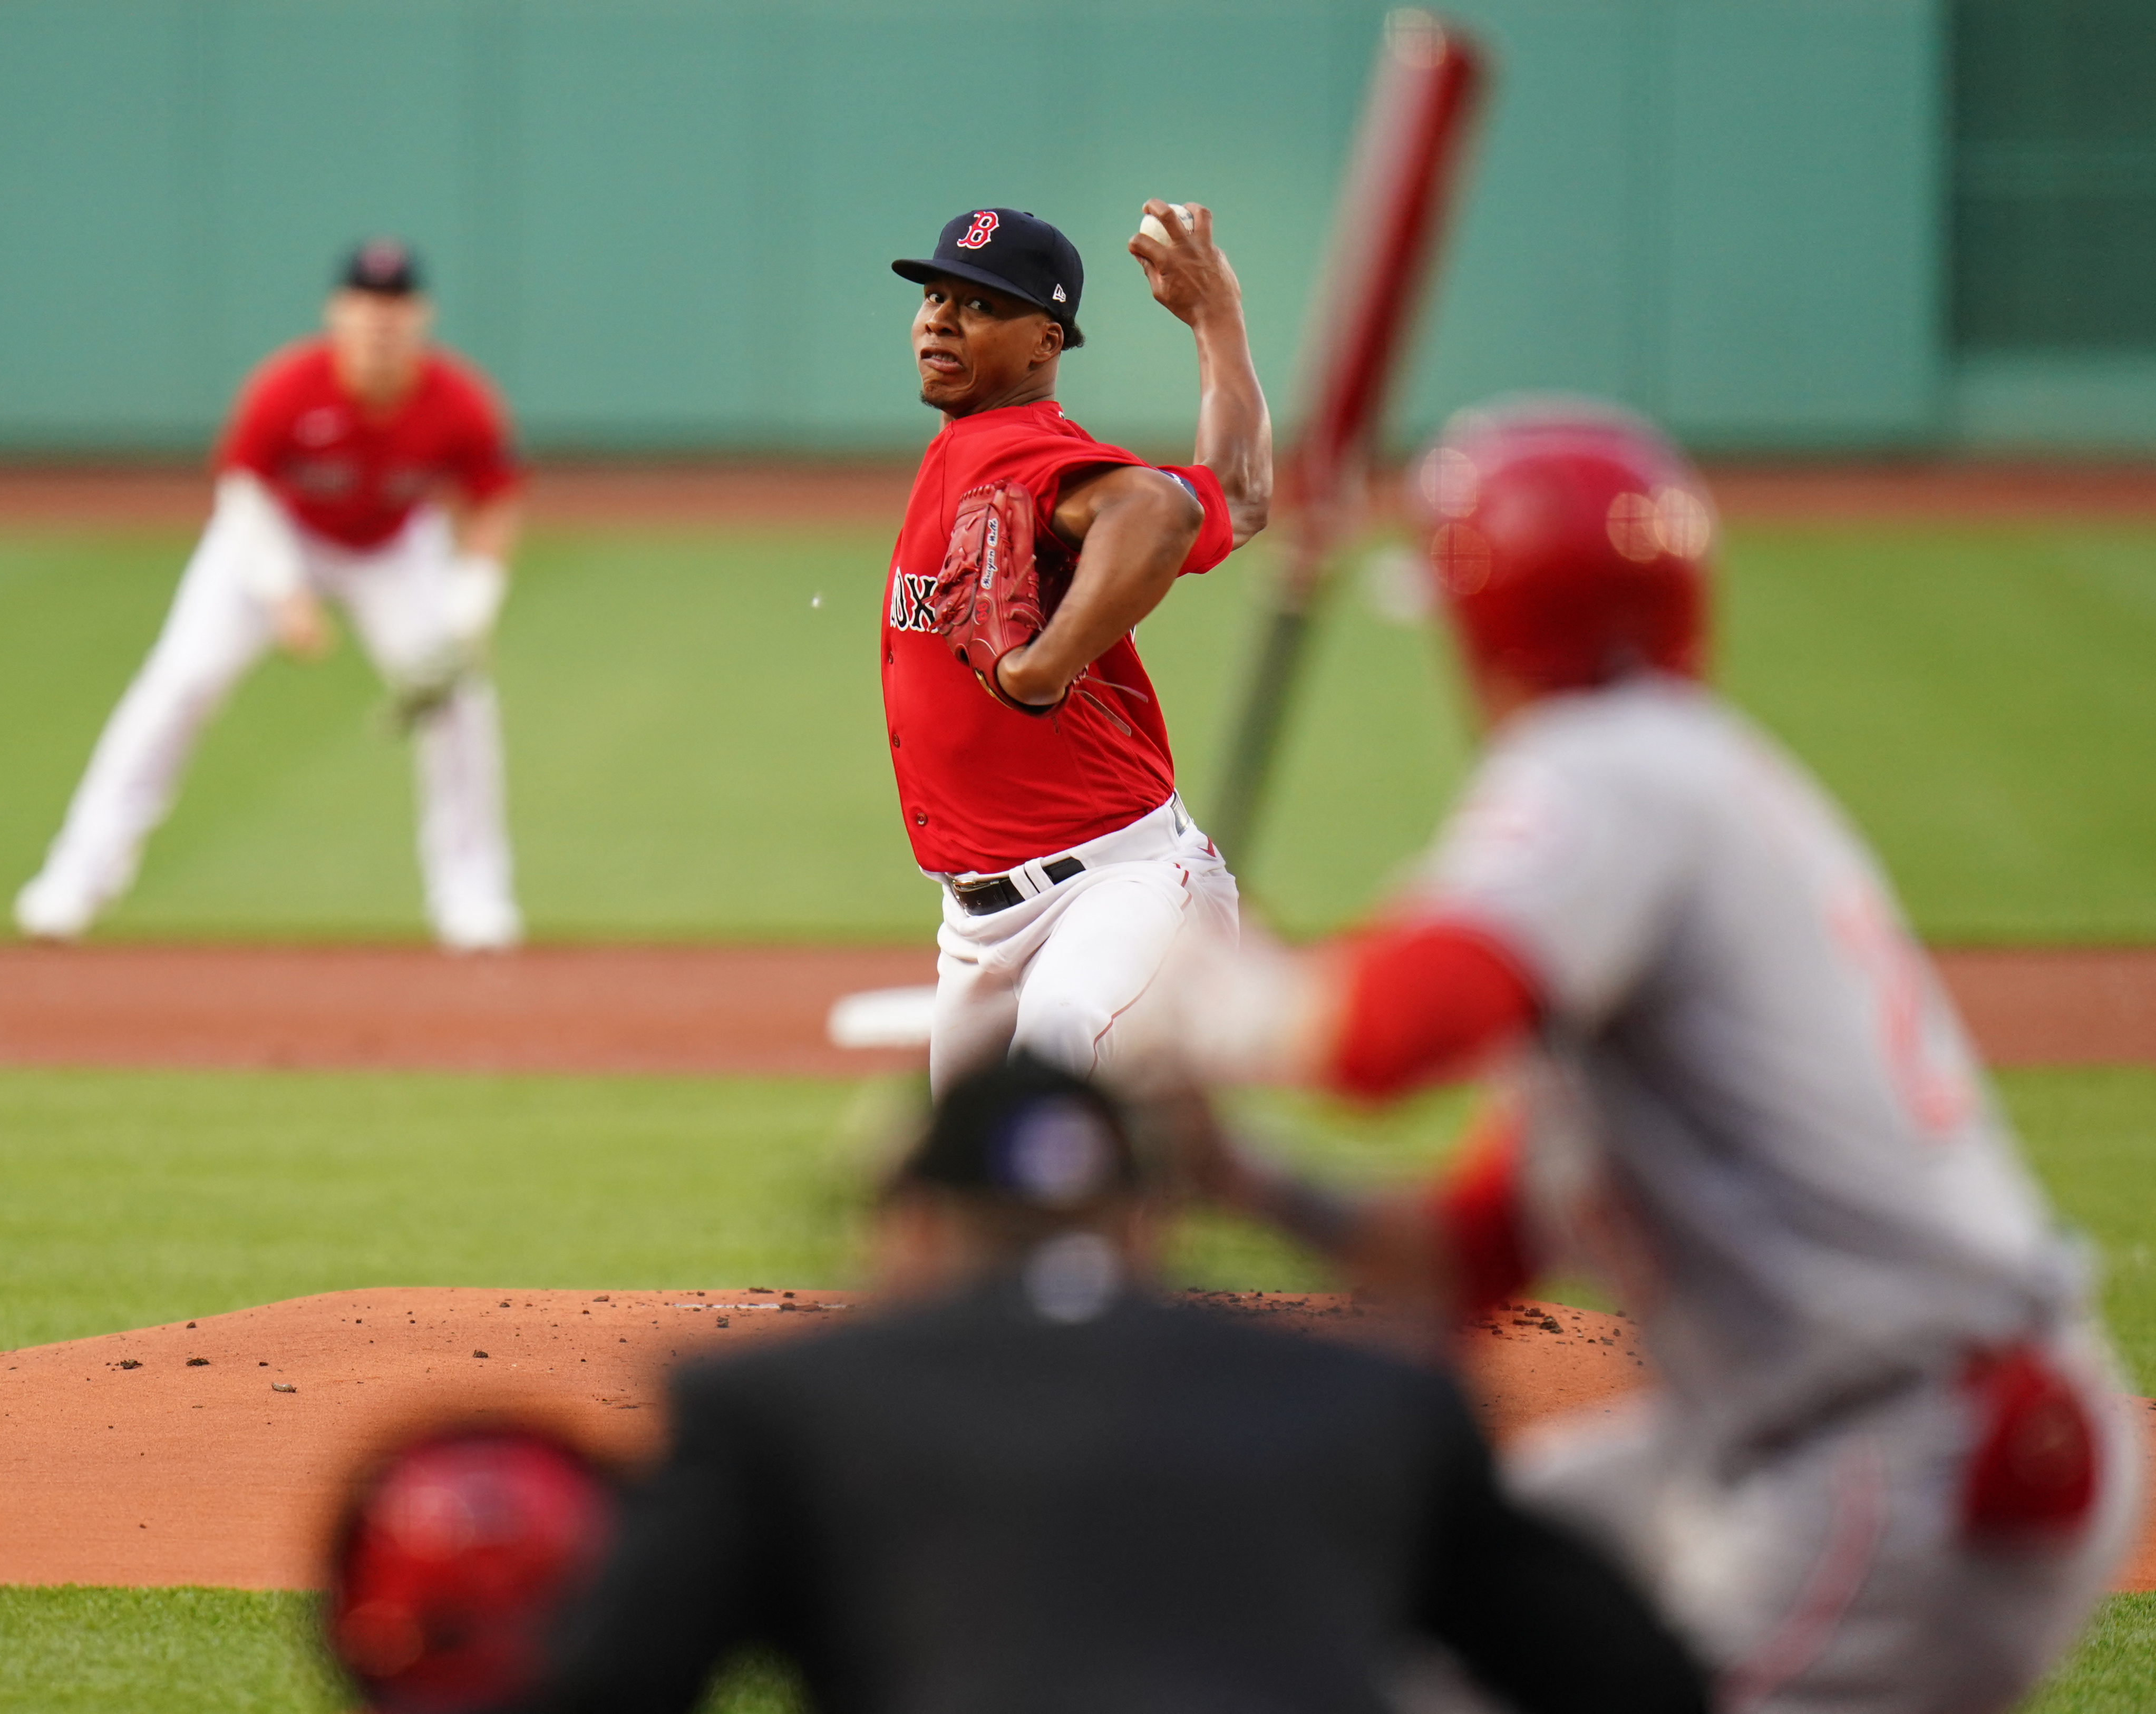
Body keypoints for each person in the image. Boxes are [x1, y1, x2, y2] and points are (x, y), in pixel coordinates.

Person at [1142, 398, 2142, 1714]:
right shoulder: (1670, 797)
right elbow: (1465, 1259)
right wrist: (1241, 1177)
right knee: (1439, 1590)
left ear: (1482, 627)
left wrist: (1215, 1001)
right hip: (1808, 1432)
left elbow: (1393, 1032)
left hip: (1904, 1462)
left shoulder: (1608, 769)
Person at [474, 1059, 1710, 1714]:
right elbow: (1635, 1681)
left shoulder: (781, 1410)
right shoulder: (1379, 1404)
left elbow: (604, 1685)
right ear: (1145, 1230)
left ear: (911, 1231)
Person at [15, 238, 524, 950]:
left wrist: (471, 606)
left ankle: (473, 898)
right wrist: (282, 593)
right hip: (274, 538)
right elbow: (244, 490)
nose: (379, 321)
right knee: (180, 683)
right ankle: (75, 879)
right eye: (364, 304)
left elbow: (493, 502)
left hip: (394, 550)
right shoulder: (289, 387)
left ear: (420, 315)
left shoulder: (457, 400)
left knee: (459, 704)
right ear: (336, 312)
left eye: (394, 305)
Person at [882, 203, 1272, 1092]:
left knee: (1039, 1115)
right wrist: (1215, 322)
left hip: (1116, 890)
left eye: (979, 305)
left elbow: (1158, 509)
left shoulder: (1022, 456)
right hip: (980, 925)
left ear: (1043, 342)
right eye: (935, 296)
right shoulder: (970, 450)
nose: (941, 318)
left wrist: (1038, 667)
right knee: (982, 1197)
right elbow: (1238, 499)